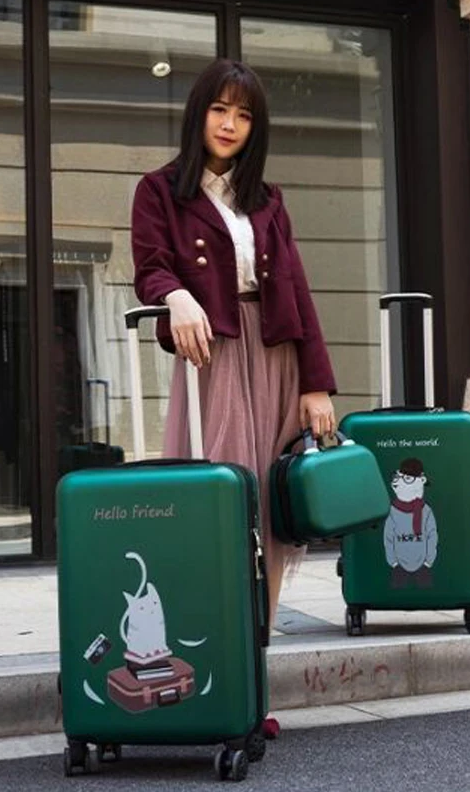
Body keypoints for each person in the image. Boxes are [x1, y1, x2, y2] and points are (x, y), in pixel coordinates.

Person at [132, 59, 337, 738]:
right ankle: (207, 674)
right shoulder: (159, 190)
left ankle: (251, 686)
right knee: (222, 511)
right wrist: (177, 295)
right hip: (212, 356)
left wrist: (316, 383)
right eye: (221, 109)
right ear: (199, 114)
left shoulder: (268, 200)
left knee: (273, 520)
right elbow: (150, 265)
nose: (231, 124)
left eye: (245, 114)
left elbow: (300, 294)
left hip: (276, 357)